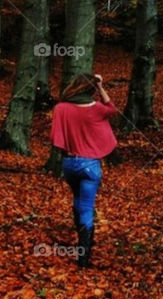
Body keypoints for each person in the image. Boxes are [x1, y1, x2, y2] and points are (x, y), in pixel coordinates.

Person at [51, 73, 118, 268]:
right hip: (90, 166)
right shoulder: (96, 109)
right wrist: (100, 86)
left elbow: (56, 138)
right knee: (86, 207)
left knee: (78, 201)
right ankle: (84, 256)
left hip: (69, 165)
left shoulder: (61, 108)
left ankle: (84, 242)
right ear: (90, 90)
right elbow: (111, 108)